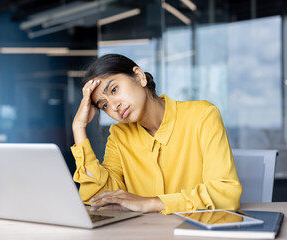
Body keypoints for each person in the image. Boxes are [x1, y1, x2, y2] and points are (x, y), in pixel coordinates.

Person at [71, 54, 242, 215]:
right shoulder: (119, 136)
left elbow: (226, 194)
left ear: (139, 77)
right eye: (104, 105)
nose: (114, 106)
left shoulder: (202, 116)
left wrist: (151, 203)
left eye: (114, 90)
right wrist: (78, 128)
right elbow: (99, 195)